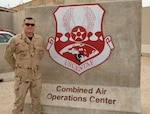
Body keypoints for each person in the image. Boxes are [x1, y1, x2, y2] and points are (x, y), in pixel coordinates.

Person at [4, 17, 45, 114]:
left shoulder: (39, 39)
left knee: (36, 101)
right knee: (19, 102)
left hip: (36, 76)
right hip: (22, 77)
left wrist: (35, 64)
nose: (30, 26)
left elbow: (41, 54)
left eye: (32, 25)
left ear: (35, 26)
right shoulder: (15, 39)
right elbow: (7, 55)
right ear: (23, 26)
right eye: (27, 24)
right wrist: (16, 67)